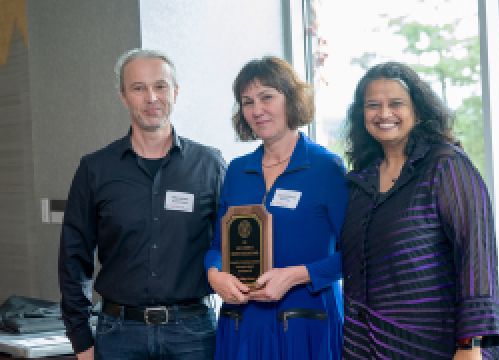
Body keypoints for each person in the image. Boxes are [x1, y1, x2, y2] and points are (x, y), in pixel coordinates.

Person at [58, 48, 226, 360]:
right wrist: (81, 338)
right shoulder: (95, 169)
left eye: (160, 86)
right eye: (138, 88)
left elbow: (229, 245)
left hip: (193, 335)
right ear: (123, 97)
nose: (151, 98)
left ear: (175, 92)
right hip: (118, 335)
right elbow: (73, 256)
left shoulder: (209, 165)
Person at [341, 61, 499, 359]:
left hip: (438, 346)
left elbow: (476, 255)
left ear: (417, 111)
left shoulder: (445, 165)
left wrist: (470, 346)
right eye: (373, 105)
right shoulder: (360, 182)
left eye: (396, 104)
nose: (384, 114)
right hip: (367, 347)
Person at [204, 56, 348, 359]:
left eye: (267, 97)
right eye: (247, 102)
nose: (257, 110)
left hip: (306, 326)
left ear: (291, 99)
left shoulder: (326, 168)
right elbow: (218, 245)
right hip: (243, 324)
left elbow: (357, 255)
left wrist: (297, 275)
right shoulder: (237, 170)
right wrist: (214, 273)